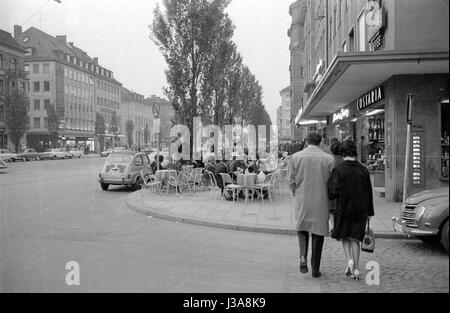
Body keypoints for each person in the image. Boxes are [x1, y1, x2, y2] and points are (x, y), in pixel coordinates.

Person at [287, 132, 335, 278]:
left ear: (307, 141)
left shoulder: (296, 157)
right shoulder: (329, 159)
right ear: (320, 142)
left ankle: (302, 256)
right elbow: (333, 184)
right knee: (318, 232)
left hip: (303, 199)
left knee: (302, 227)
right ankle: (315, 268)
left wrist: (296, 192)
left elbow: (290, 181)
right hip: (321, 200)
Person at [327, 140, 375, 281]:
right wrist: (369, 214)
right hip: (360, 211)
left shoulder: (339, 170)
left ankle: (349, 260)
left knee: (344, 237)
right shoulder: (364, 170)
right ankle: (357, 269)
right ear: (355, 153)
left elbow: (332, 193)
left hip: (343, 209)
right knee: (355, 239)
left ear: (343, 154)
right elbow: (369, 193)